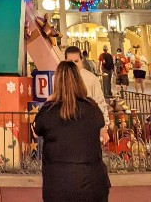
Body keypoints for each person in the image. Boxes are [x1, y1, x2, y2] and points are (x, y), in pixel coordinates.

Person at [34, 61, 110, 202]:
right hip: (92, 180)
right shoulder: (92, 107)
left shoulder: (49, 110)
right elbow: (100, 126)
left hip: (58, 182)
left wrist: (47, 102)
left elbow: (35, 131)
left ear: (57, 82)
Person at [64, 46, 109, 130]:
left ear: (81, 60)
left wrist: (104, 127)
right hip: (66, 124)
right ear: (65, 61)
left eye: (76, 61)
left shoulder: (91, 78)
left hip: (87, 124)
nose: (73, 64)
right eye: (70, 62)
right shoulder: (59, 78)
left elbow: (100, 102)